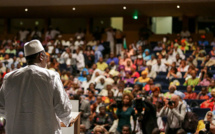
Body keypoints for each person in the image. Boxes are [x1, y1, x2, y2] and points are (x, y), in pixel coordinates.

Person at [0, 40, 73, 134]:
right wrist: (68, 119)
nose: (47, 60)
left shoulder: (9, 78)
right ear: (41, 56)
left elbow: (1, 107)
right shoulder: (51, 76)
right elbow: (63, 109)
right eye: (46, 57)